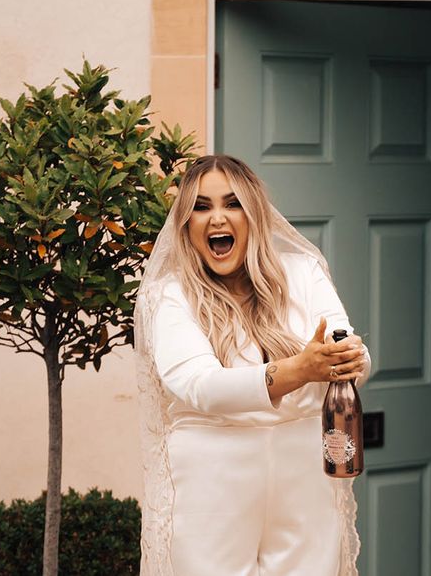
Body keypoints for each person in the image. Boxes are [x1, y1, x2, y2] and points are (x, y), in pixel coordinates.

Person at [134, 154, 371, 576]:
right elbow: (198, 385)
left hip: (305, 489)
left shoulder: (303, 274)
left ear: (255, 214)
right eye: (201, 207)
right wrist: (301, 369)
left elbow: (346, 347)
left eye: (232, 203)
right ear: (185, 224)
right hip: (211, 491)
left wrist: (349, 357)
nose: (216, 218)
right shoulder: (171, 295)